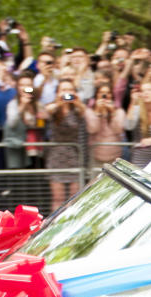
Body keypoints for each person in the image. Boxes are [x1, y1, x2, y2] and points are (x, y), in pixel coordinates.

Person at [44, 78, 91, 210]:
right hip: (56, 157)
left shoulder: (78, 110)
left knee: (75, 198)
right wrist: (59, 103)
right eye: (63, 90)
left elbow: (89, 118)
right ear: (57, 92)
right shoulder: (53, 108)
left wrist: (78, 103)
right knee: (58, 198)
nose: (67, 93)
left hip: (74, 155)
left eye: (70, 90)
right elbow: (45, 113)